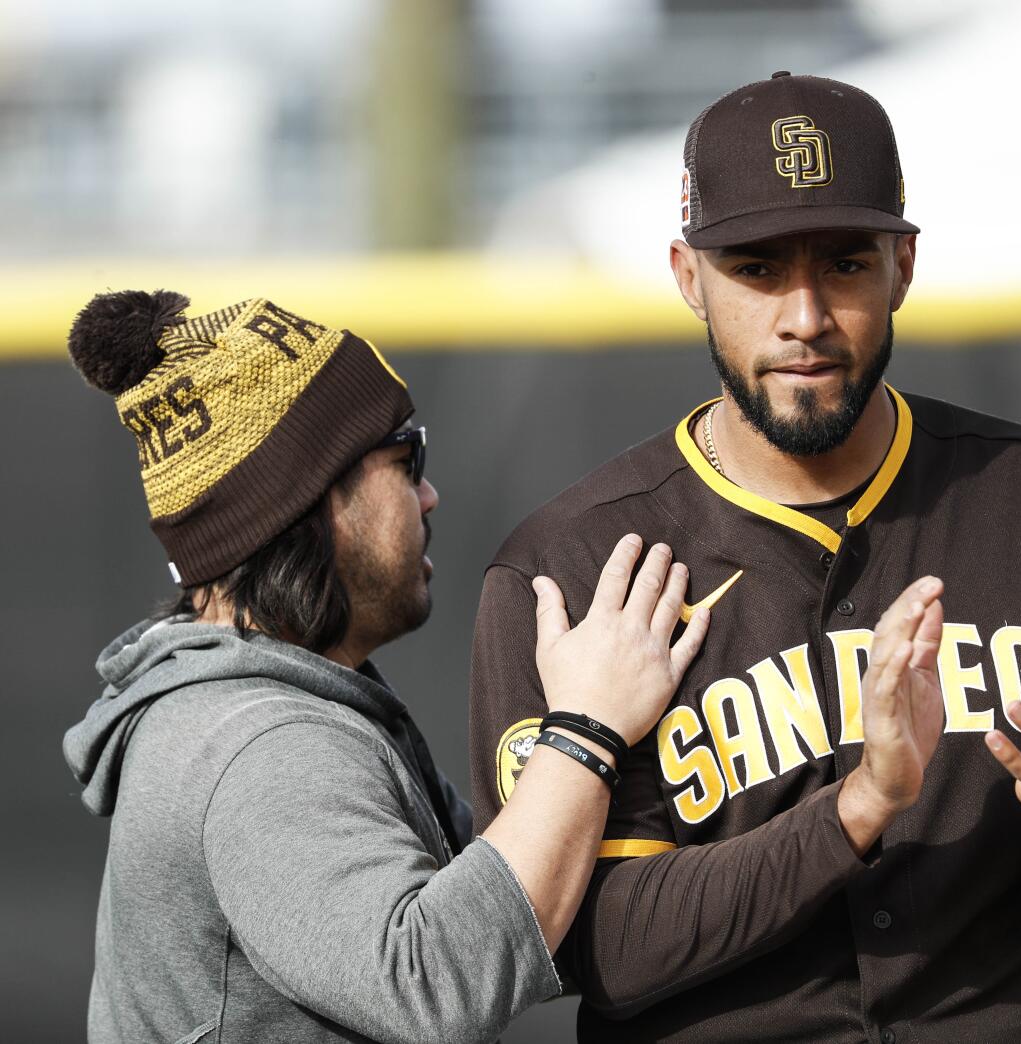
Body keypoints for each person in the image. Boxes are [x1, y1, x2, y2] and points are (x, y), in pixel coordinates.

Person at [467, 73, 1021, 1043]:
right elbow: (586, 948)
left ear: (903, 264)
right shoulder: (571, 568)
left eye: (844, 265)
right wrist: (861, 805)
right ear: (689, 276)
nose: (804, 315)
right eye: (758, 270)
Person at [60, 289, 716, 1044]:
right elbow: (435, 984)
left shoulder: (268, 707)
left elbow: (524, 923)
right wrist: (586, 732)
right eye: (406, 459)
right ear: (308, 503)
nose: (430, 494)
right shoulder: (258, 747)